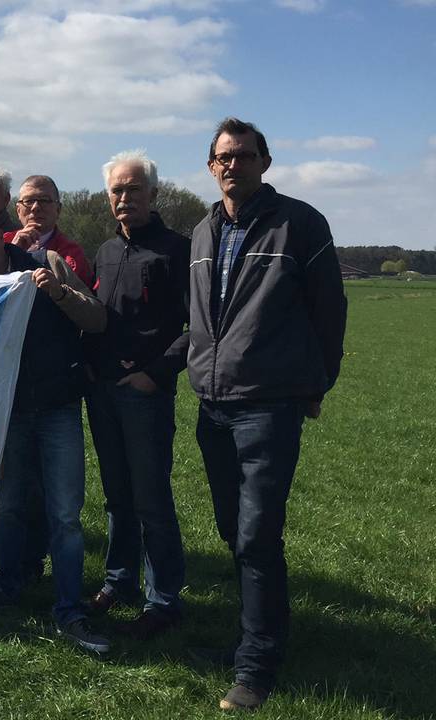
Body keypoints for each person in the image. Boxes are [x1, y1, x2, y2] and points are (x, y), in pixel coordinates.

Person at [188, 118, 347, 712]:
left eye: (245, 156)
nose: (233, 165)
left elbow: (329, 309)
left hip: (269, 404)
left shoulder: (300, 224)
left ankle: (256, 665)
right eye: (223, 157)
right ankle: (256, 633)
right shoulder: (202, 231)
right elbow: (198, 314)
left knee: (257, 535)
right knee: (233, 530)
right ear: (211, 166)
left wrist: (318, 382)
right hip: (212, 405)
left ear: (265, 162)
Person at [0, 211, 111, 655]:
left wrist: (58, 292)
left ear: (0, 237)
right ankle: (7, 584)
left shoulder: (46, 263)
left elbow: (97, 319)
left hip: (57, 407)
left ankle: (69, 608)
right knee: (8, 506)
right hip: (6, 414)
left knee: (65, 513)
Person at [84, 150, 188, 640]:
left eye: (133, 189)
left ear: (153, 194)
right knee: (116, 496)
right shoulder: (106, 250)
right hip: (102, 389)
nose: (123, 198)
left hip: (145, 392)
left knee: (151, 498)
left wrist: (156, 373)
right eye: (116, 191)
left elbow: (198, 326)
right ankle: (119, 580)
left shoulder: (177, 249)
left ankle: (163, 600)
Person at [8, 175, 93, 286]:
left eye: (44, 200)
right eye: (28, 201)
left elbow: (79, 295)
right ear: (18, 210)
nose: (35, 207)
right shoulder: (0, 243)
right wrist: (12, 253)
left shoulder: (71, 255)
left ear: (58, 209)